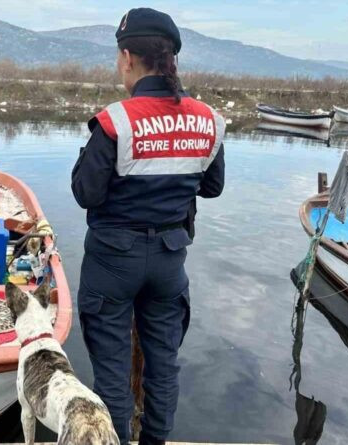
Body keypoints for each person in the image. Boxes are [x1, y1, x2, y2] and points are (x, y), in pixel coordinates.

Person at [71, 8, 226, 445]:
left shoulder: (115, 120)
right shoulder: (207, 119)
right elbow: (212, 187)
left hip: (112, 263)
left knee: (114, 376)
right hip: (169, 261)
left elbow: (87, 193)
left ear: (127, 57)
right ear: (171, 59)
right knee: (163, 367)